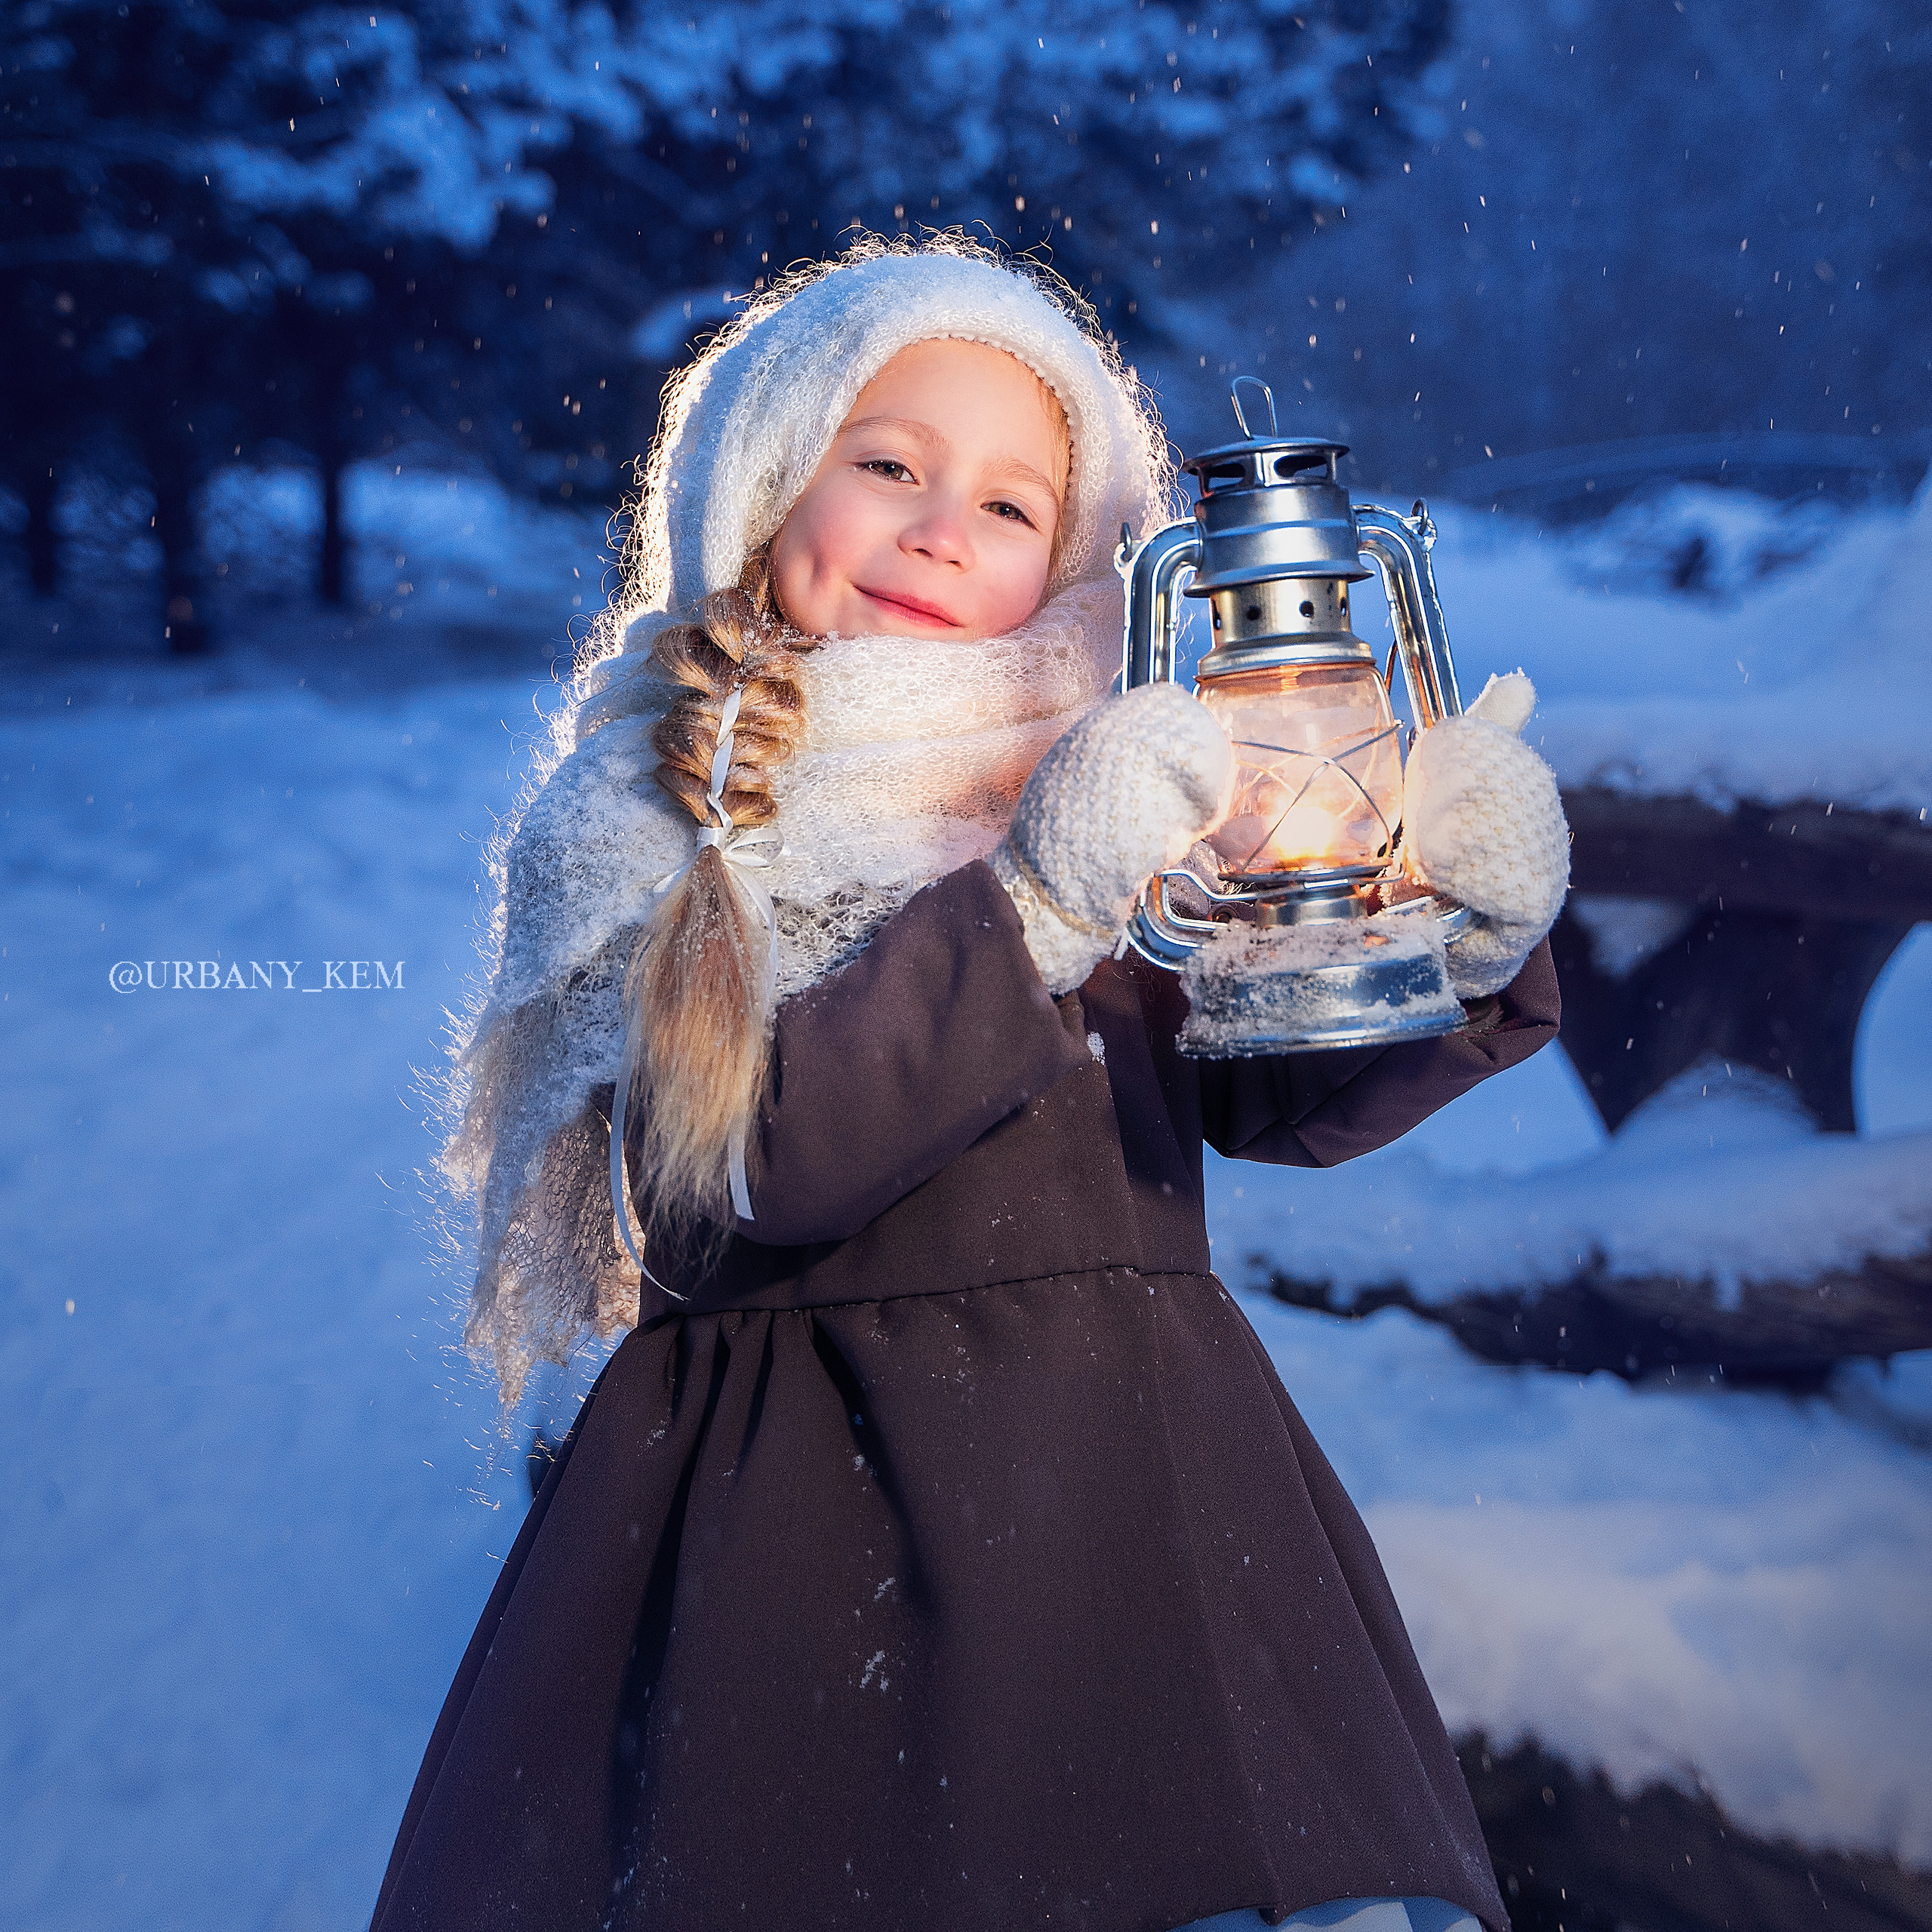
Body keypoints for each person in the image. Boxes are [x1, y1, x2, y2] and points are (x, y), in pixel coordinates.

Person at [373, 235, 1567, 1932]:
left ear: (1072, 560)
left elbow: (1259, 1097)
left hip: (1141, 1503)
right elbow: (753, 1169)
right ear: (770, 482)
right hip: (810, 1531)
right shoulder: (661, 810)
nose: (944, 525)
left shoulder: (1100, 766)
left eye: (1012, 506)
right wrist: (1029, 905)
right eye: (888, 467)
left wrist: (1460, 946)